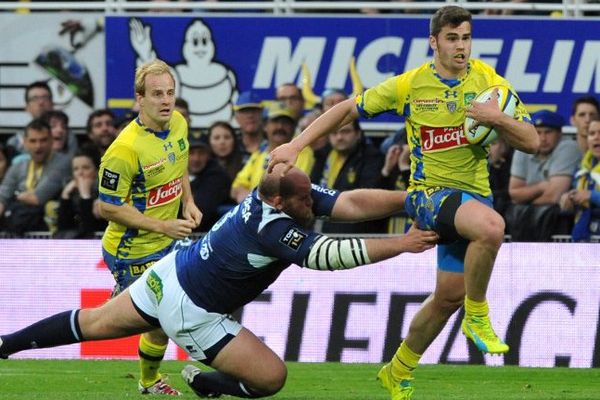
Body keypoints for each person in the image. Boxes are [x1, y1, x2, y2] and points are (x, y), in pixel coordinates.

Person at [268, 6, 539, 399]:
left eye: (465, 37)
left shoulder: (488, 84)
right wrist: (297, 144)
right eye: (452, 38)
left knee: (447, 296)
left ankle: (398, 369)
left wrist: (496, 118)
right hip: (429, 194)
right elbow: (347, 109)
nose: (460, 46)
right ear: (434, 42)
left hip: (473, 196)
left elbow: (530, 141)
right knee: (492, 227)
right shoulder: (409, 85)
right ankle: (478, 314)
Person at [0, 165, 438, 399]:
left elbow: (349, 201)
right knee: (271, 379)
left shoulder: (274, 193)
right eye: (305, 200)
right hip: (193, 311)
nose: (313, 204)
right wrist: (403, 242)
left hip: (170, 274)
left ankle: (5, 345)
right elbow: (326, 256)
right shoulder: (271, 227)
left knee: (91, 324)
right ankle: (208, 382)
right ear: (280, 201)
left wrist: (410, 198)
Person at [97, 59, 202, 395]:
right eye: (157, 94)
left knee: (161, 319)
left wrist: (189, 202)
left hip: (166, 241)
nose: (166, 100)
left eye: (170, 93)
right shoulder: (124, 150)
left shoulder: (179, 123)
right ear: (139, 99)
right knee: (158, 317)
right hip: (131, 251)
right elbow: (108, 207)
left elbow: (179, 165)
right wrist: (163, 225)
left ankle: (148, 381)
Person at [311, 119, 386, 233]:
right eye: (334, 133)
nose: (339, 137)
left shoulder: (371, 157)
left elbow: (367, 194)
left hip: (355, 228)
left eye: (345, 132)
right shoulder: (323, 155)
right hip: (322, 223)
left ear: (358, 134)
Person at [230, 103, 314, 203]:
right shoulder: (260, 153)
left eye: (285, 122)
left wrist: (256, 202)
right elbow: (236, 187)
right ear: (265, 126)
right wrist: (248, 199)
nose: (280, 126)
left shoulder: (303, 152)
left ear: (293, 127)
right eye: (275, 121)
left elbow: (295, 189)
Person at [0, 119, 71, 236]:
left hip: (51, 235)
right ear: (25, 142)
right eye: (33, 141)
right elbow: (2, 197)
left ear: (51, 141)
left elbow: (37, 198)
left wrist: (15, 195)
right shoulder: (18, 166)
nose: (38, 146)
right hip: (19, 231)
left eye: (43, 140)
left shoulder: (63, 163)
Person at [559, 118, 600, 241]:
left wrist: (590, 196)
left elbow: (588, 196)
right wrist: (568, 200)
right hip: (583, 240)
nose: (596, 137)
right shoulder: (582, 169)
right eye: (592, 133)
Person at [55, 149, 107, 239]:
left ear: (97, 170)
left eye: (86, 168)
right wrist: (65, 196)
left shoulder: (105, 195)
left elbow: (89, 231)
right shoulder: (71, 193)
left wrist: (85, 196)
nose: (80, 173)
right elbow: (62, 230)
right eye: (76, 169)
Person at [188, 134, 232, 232]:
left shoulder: (217, 176)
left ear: (208, 155)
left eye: (201, 153)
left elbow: (199, 214)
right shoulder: (176, 174)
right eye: (191, 153)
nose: (196, 159)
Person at [5, 81, 55, 160]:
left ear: (52, 104)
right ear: (27, 108)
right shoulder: (16, 143)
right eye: (35, 98)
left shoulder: (65, 137)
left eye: (45, 97)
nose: (41, 102)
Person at [233, 91, 265, 158]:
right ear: (236, 117)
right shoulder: (230, 147)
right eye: (245, 111)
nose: (250, 115)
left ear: (262, 114)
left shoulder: (275, 144)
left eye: (254, 110)